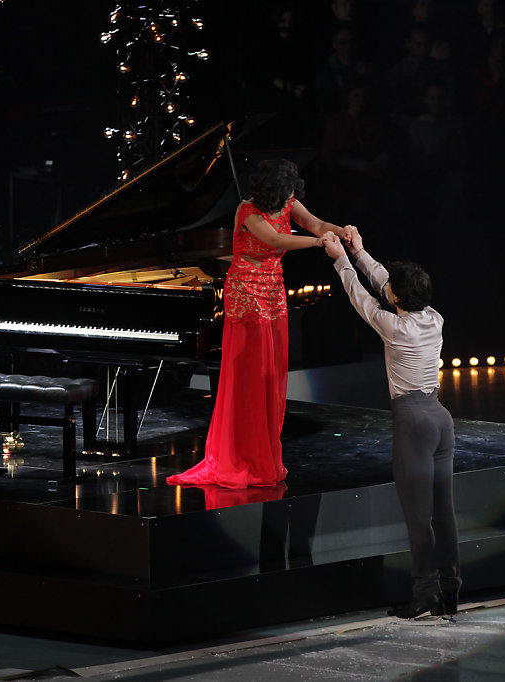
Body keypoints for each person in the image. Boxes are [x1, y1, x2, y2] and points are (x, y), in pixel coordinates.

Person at [166, 159, 349, 489]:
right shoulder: (247, 211)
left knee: (270, 374)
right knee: (250, 376)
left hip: (273, 292)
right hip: (246, 295)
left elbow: (318, 224)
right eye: (289, 189)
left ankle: (262, 454)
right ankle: (238, 457)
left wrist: (340, 231)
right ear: (276, 189)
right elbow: (277, 242)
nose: (293, 195)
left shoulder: (288, 204)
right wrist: (319, 244)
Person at [322, 228, 460, 619]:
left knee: (418, 516)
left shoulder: (394, 327)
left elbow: (361, 296)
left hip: (414, 422)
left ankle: (424, 594)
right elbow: (386, 285)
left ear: (397, 297)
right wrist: (361, 250)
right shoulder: (435, 318)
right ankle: (450, 589)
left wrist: (341, 259)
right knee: (444, 512)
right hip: (441, 418)